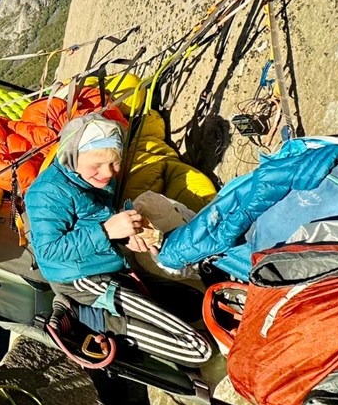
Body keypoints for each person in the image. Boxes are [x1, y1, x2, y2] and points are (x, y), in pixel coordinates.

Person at [24, 114, 212, 366]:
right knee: (198, 350)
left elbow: (94, 216)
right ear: (72, 156)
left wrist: (125, 236)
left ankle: (121, 306)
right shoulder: (46, 193)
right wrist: (107, 231)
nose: (107, 173)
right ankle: (92, 317)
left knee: (195, 302)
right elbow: (49, 252)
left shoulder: (90, 178)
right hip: (81, 279)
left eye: (115, 163)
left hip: (112, 266)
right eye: (97, 165)